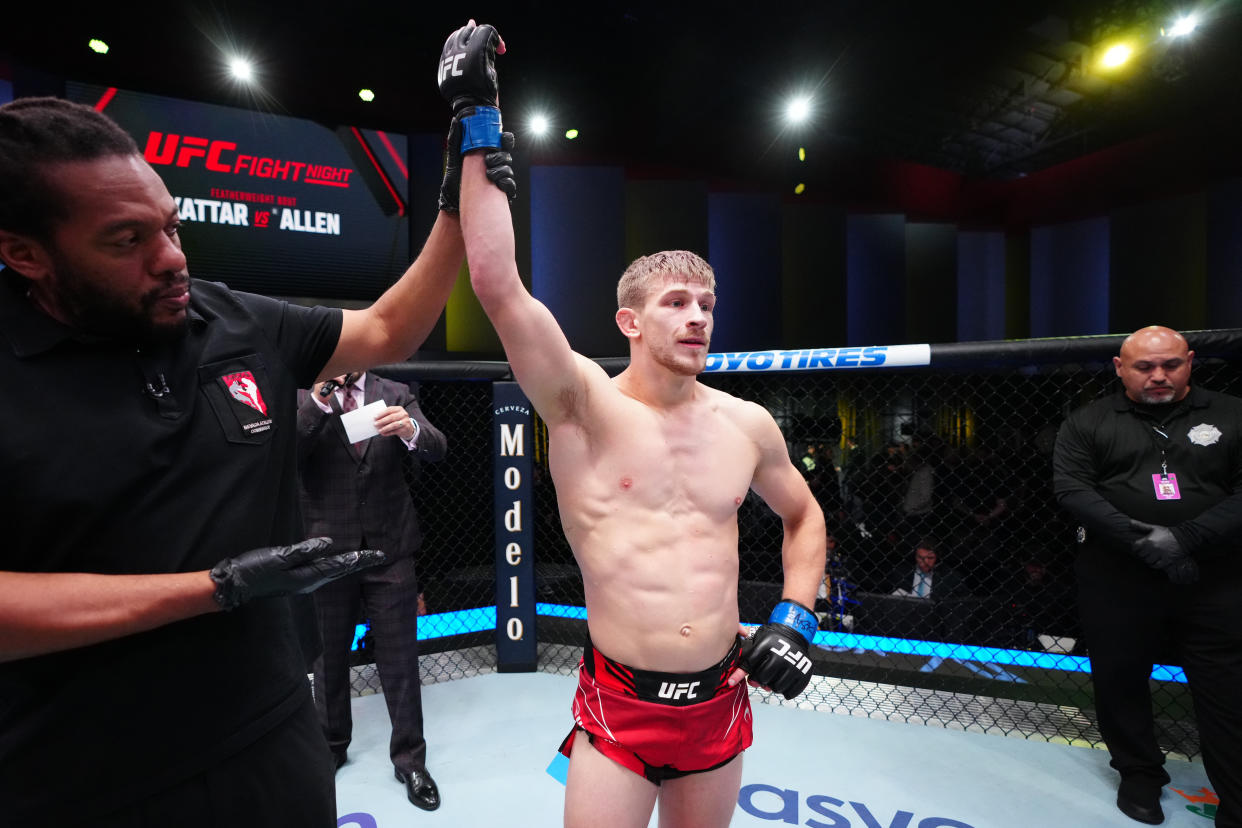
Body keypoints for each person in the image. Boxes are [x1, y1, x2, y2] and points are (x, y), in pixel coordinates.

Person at [0, 95, 506, 826]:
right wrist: (215, 588)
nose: (171, 257)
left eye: (171, 226)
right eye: (125, 240)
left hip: (268, 736)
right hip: (79, 773)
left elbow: (392, 325)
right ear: (25, 253)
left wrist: (456, 202)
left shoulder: (231, 318)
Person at [438, 21, 826, 828]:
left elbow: (804, 514)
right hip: (619, 707)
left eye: (708, 306)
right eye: (676, 304)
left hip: (720, 698)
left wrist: (795, 615)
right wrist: (479, 117)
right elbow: (496, 283)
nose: (697, 319)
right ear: (629, 322)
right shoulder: (583, 406)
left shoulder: (748, 424)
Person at [1053, 325, 1242, 827]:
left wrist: (1185, 538)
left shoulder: (1232, 413)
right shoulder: (1089, 421)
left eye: (1170, 364)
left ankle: (1238, 798)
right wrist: (1144, 540)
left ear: (1190, 361)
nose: (1158, 375)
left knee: (1226, 685)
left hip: (1215, 576)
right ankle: (1139, 774)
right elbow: (1073, 489)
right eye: (1144, 366)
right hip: (1118, 576)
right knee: (1119, 677)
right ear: (1120, 368)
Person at [297, 371, 447, 809]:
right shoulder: (304, 395)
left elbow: (437, 447)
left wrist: (411, 429)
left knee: (400, 656)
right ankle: (330, 746)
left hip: (390, 545)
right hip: (327, 548)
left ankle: (410, 760)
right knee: (328, 657)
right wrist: (320, 400)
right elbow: (285, 454)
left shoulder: (395, 393)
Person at [889, 541, 963, 601]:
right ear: (915, 556)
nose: (925, 562)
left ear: (937, 557)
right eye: (920, 557)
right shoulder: (901, 572)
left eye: (930, 558)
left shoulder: (950, 576)